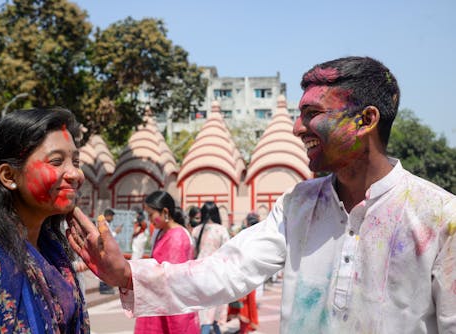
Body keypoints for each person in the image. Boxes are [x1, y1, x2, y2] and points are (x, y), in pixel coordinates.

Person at [67, 56, 456, 333]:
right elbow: (226, 270)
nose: (296, 128)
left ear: (366, 120)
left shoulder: (439, 217)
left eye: (311, 113)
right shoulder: (299, 205)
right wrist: (127, 273)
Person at [0, 107, 89, 332]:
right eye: (56, 162)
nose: (75, 174)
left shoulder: (55, 255)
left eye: (75, 162)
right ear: (9, 176)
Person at [134, 190, 199, 334]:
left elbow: (172, 278)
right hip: (158, 303)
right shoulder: (161, 232)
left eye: (151, 215)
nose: (150, 220)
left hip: (173, 307)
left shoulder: (177, 237)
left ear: (165, 212)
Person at [191, 202, 230, 334]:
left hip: (199, 273)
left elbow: (192, 254)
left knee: (203, 308)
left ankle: (206, 329)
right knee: (215, 307)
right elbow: (228, 253)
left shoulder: (196, 230)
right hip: (217, 274)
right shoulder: (221, 230)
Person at [227, 213, 260, 334]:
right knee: (246, 302)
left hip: (244, 272)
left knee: (245, 301)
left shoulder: (245, 235)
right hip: (249, 272)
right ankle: (244, 328)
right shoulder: (255, 236)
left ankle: (244, 328)